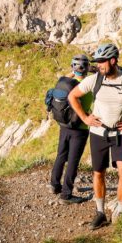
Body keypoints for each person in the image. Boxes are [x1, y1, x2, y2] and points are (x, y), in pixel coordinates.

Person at [68, 43, 122, 229]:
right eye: (97, 62)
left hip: (121, 134)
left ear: (113, 60)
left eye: (101, 62)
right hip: (98, 133)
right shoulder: (94, 80)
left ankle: (121, 213)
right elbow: (72, 96)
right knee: (98, 173)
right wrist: (85, 117)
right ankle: (100, 213)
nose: (98, 65)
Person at [49, 54, 93, 201]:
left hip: (64, 125)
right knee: (73, 160)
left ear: (72, 67)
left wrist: (74, 71)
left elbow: (67, 76)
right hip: (79, 128)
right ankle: (66, 195)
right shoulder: (86, 86)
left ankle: (54, 185)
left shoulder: (64, 82)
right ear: (86, 68)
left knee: (61, 155)